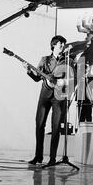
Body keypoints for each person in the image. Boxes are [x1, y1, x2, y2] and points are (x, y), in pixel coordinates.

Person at [26, 35, 73, 166]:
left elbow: (72, 80)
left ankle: (52, 158)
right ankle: (38, 156)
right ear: (53, 45)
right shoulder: (45, 60)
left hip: (59, 97)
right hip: (45, 95)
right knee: (39, 125)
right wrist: (29, 71)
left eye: (64, 44)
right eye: (60, 44)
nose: (62, 46)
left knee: (56, 127)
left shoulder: (68, 61)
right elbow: (36, 78)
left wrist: (62, 82)